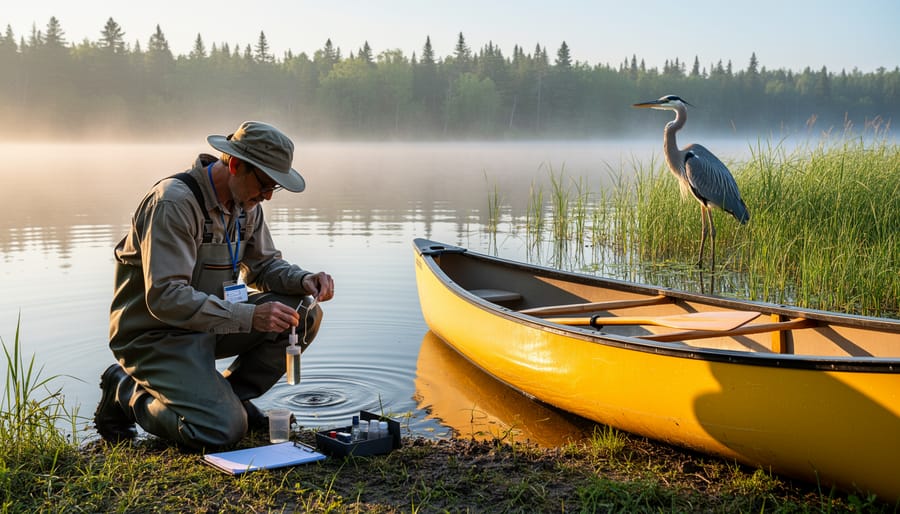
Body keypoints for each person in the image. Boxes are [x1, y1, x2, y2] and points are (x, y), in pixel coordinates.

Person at [94, 121, 334, 450]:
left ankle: (228, 399)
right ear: (235, 165)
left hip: (208, 323)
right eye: (265, 184)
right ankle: (124, 390)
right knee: (221, 432)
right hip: (156, 335)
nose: (267, 197)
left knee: (302, 312)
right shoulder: (173, 203)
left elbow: (263, 266)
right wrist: (251, 317)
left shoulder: (246, 206)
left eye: (274, 188)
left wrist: (304, 279)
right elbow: (165, 298)